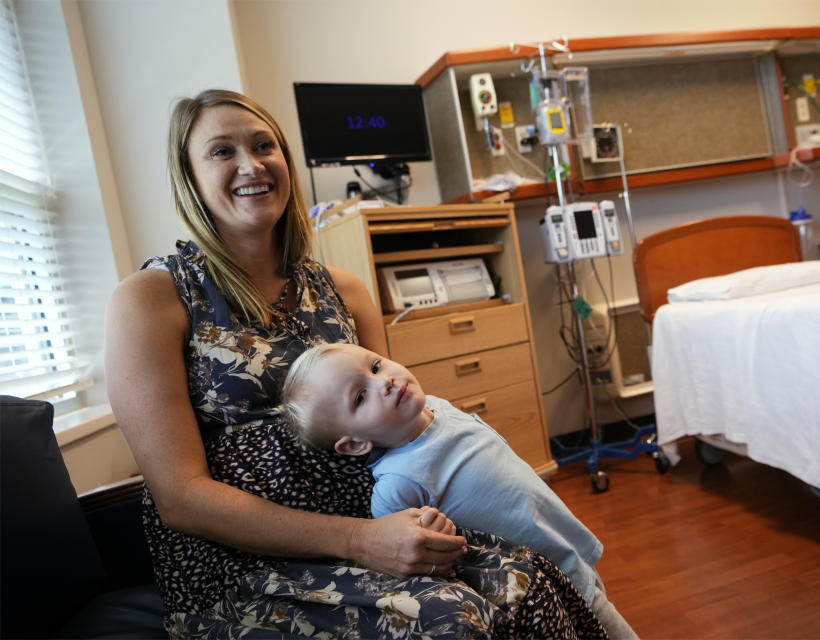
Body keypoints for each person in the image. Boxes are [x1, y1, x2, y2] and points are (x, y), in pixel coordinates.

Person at [105, 88, 607, 638]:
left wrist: (450, 496)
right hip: (240, 568)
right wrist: (359, 540)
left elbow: (402, 423)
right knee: (447, 618)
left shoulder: (342, 290)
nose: (251, 164)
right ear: (189, 177)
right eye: (222, 152)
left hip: (384, 522)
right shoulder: (153, 299)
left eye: (263, 145)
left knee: (529, 577)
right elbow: (180, 499)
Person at [281, 342, 639, 639]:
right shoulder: (396, 486)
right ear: (355, 444)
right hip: (540, 576)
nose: (385, 381)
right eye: (360, 396)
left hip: (561, 541)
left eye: (375, 366)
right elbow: (409, 557)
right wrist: (432, 543)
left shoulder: (436, 404)